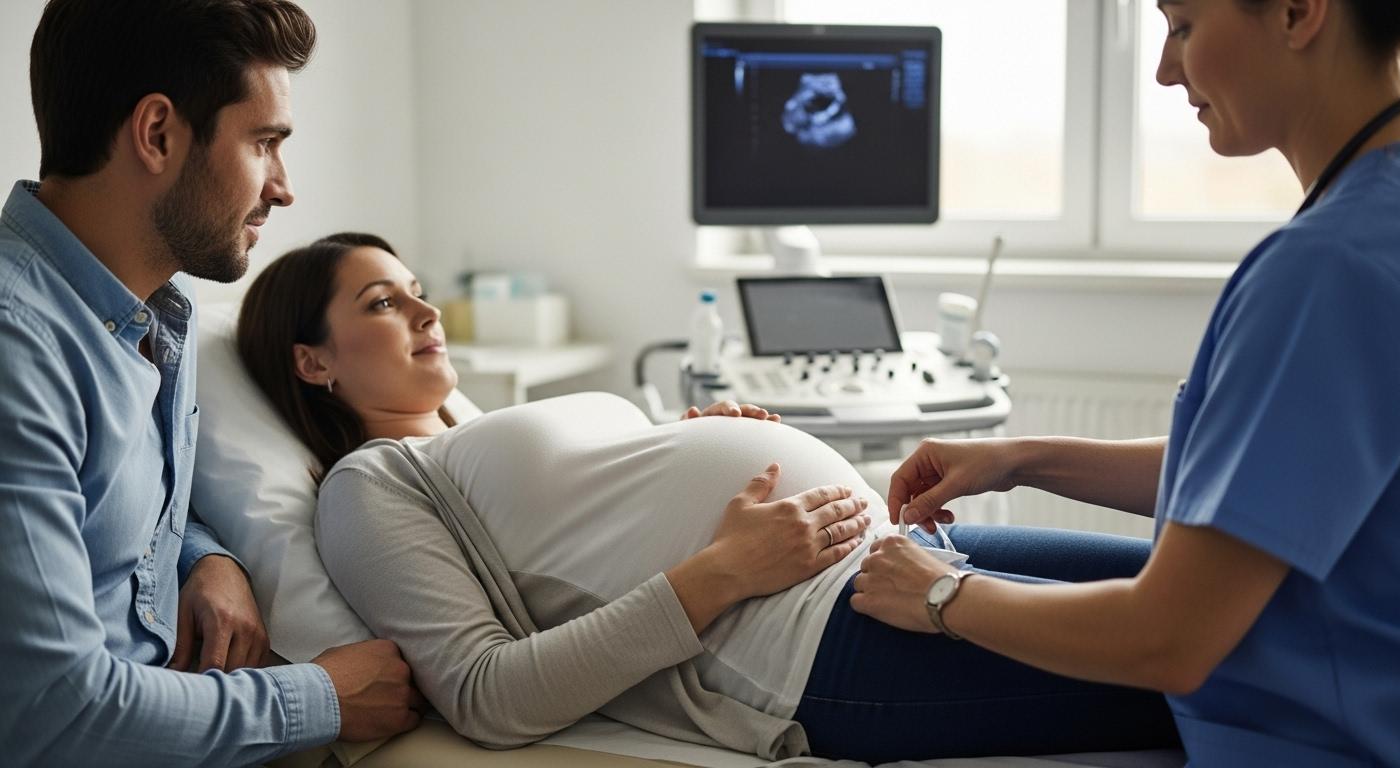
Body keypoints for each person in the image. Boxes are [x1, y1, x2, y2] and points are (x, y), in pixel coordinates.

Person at [237, 232, 1181, 762]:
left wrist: (685, 441)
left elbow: (594, 521)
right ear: (312, 362)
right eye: (382, 304)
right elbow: (487, 694)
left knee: (1196, 596)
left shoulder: (471, 433)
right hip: (812, 645)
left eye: (415, 289)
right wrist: (721, 571)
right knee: (1200, 662)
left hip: (889, 561)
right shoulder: (368, 485)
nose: (425, 310)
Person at [854, 0, 1400, 765]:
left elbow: (1170, 639)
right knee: (958, 552)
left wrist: (941, 596)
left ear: (1296, 11)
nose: (1163, 70)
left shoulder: (1326, 270)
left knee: (913, 583)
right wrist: (1020, 458)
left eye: (1182, 26)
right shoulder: (1380, 220)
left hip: (1318, 738)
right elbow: (1263, 474)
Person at [0, 2, 424, 765]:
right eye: (264, 144)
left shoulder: (164, 305)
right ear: (158, 134)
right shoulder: (18, 351)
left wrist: (202, 555)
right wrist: (325, 696)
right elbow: (54, 712)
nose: (283, 188)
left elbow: (103, 499)